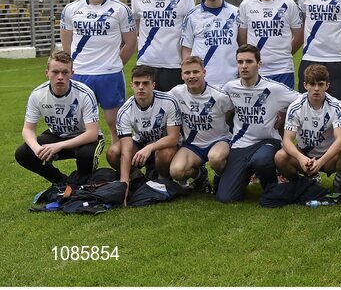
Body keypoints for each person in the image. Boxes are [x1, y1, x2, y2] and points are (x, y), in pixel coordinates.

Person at [60, 0, 138, 137]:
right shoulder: (71, 9)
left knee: (115, 123)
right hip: (80, 73)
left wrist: (115, 63)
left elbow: (131, 42)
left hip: (110, 74)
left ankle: (119, 154)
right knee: (79, 124)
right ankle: (85, 155)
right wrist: (73, 65)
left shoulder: (121, 9)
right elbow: (66, 41)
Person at [216, 45, 300, 203]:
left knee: (261, 160)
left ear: (259, 64)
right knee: (226, 197)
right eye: (240, 62)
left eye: (249, 61)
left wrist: (285, 116)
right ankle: (243, 176)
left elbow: (303, 100)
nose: (244, 66)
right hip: (240, 145)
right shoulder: (230, 87)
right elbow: (214, 104)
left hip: (267, 141)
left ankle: (272, 189)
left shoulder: (273, 89)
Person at [16, 50, 103, 187]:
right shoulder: (37, 94)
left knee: (86, 156)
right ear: (47, 73)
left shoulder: (85, 94)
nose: (60, 77)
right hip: (57, 136)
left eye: (65, 72)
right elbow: (28, 129)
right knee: (23, 154)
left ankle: (82, 183)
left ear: (72, 73)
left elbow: (92, 134)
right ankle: (61, 181)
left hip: (84, 138)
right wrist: (37, 149)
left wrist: (59, 146)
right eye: (55, 72)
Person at [276, 64, 341, 198]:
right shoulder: (295, 106)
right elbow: (287, 140)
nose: (316, 88)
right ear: (305, 85)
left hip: (329, 156)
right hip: (305, 154)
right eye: (312, 84)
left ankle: (340, 182)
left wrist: (321, 161)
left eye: (320, 84)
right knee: (280, 157)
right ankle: (302, 182)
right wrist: (301, 158)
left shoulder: (336, 106)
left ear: (327, 85)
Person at [109, 65, 182, 185]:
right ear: (132, 85)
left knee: (165, 154)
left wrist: (150, 148)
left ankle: (163, 180)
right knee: (113, 152)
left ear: (153, 85)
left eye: (145, 83)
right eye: (137, 83)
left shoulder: (169, 102)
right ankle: (136, 178)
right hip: (140, 144)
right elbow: (126, 150)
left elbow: (173, 138)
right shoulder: (124, 111)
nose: (141, 87)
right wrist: (124, 180)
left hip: (164, 145)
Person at [168, 56, 233, 191]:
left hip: (219, 141)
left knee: (216, 158)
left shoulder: (219, 96)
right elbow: (161, 103)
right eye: (187, 73)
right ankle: (200, 176)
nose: (191, 76)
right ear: (182, 75)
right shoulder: (176, 93)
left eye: (196, 72)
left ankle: (220, 177)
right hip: (193, 145)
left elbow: (233, 112)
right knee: (176, 172)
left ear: (204, 72)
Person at [237, 0, 303, 88]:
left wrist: (284, 53)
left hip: (283, 70)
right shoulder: (246, 5)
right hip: (255, 71)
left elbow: (299, 36)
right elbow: (242, 39)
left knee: (283, 102)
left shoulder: (289, 4)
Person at [132, 0, 195, 91]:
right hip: (146, 63)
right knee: (146, 104)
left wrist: (187, 64)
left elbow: (191, 32)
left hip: (174, 65)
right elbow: (135, 27)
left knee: (174, 104)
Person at [180, 0, 240, 88]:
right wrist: (189, 74)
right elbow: (186, 49)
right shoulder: (192, 16)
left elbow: (242, 45)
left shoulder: (236, 13)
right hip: (203, 83)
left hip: (231, 81)